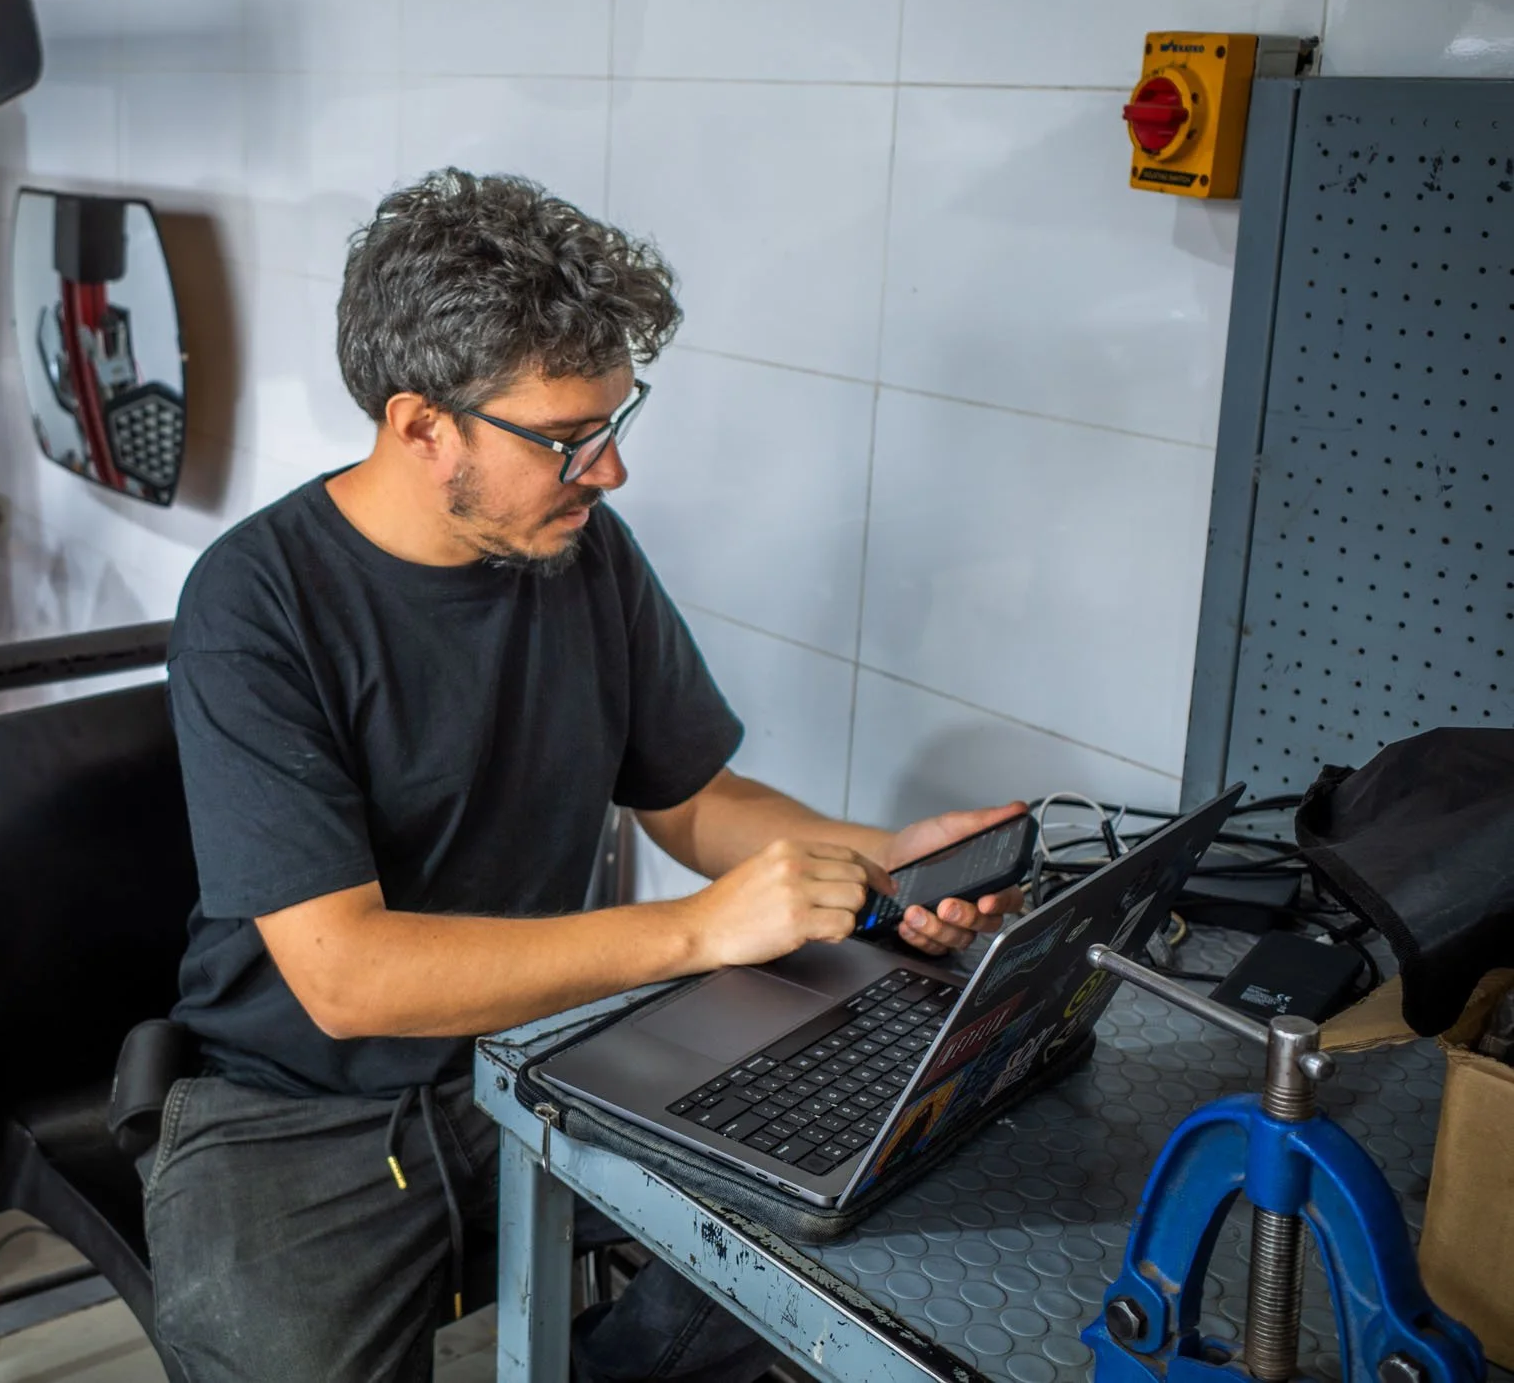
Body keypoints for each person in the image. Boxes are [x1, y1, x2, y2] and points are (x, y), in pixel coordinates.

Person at [147, 169, 1026, 1383]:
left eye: (615, 425)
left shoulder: (578, 550)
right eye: (566, 439)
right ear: (419, 425)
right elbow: (347, 977)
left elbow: (695, 797)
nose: (608, 473)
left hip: (551, 1051)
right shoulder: (257, 604)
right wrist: (696, 932)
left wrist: (883, 855)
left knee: (821, 1247)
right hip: (296, 1108)